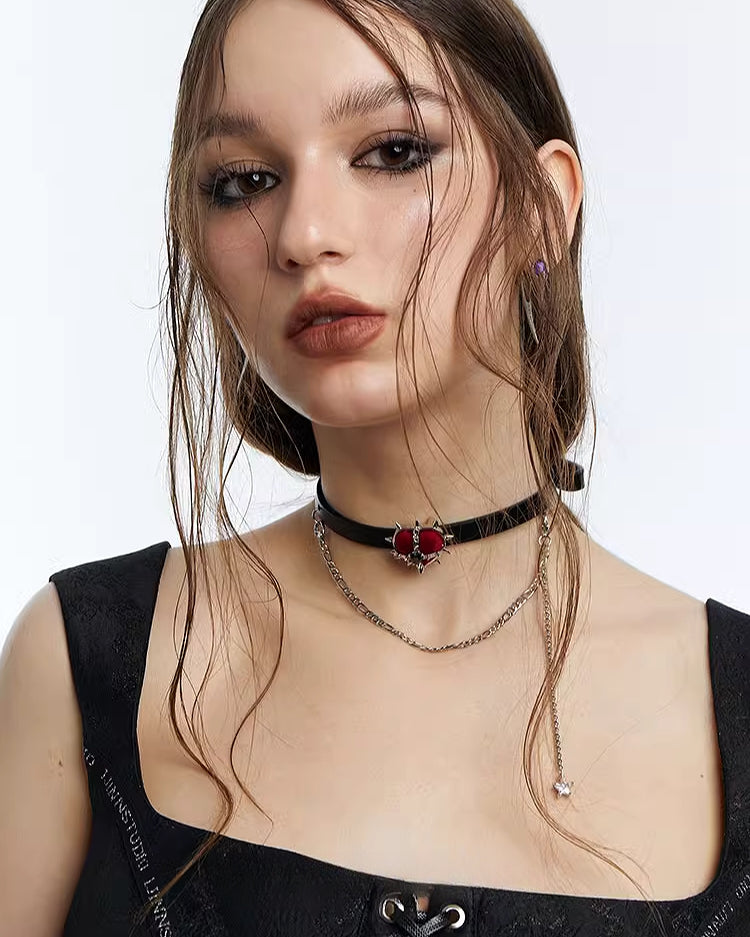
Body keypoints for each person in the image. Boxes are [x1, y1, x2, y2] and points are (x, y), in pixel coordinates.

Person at [2, 0, 749, 934]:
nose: (303, 233)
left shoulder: (733, 702)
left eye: (394, 152)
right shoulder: (85, 659)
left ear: (542, 206)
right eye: (243, 181)